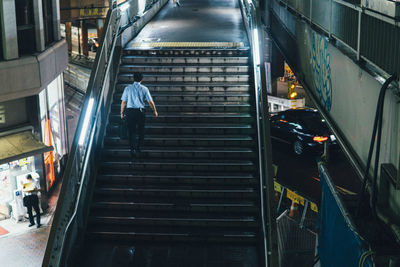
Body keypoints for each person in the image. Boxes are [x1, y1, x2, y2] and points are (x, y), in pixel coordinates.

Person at [120, 72, 158, 157]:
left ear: (133, 78)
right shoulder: (144, 89)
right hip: (140, 112)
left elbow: (123, 102)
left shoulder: (127, 88)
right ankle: (139, 147)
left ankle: (132, 148)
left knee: (131, 131)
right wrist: (154, 110)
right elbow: (150, 101)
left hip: (130, 112)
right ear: (142, 79)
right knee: (141, 130)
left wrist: (122, 113)